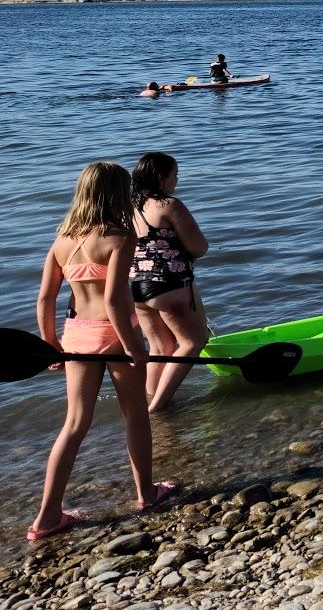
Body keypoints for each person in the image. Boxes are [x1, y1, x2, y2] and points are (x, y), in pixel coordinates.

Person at [29, 162, 177, 543]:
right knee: (136, 416)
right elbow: (113, 300)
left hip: (77, 335)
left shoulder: (62, 239)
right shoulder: (119, 237)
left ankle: (47, 518)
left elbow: (45, 299)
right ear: (117, 194)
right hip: (115, 335)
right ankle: (146, 494)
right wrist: (134, 350)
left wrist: (51, 346)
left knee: (75, 424)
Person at [129, 153, 210, 412]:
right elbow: (198, 246)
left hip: (136, 287)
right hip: (170, 285)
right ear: (161, 177)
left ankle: (148, 402)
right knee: (192, 343)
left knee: (160, 347)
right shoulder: (169, 205)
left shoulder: (126, 208)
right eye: (175, 174)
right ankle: (158, 407)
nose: (178, 178)